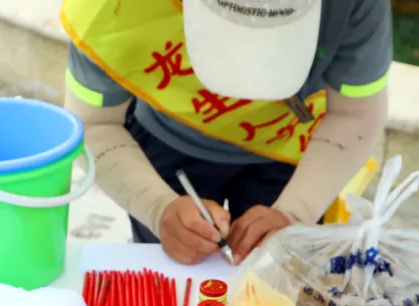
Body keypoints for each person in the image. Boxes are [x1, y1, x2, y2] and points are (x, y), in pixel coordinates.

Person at [61, 0, 390, 265]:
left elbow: (354, 114)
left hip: (293, 148)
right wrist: (157, 208)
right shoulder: (108, 6)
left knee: (281, 275)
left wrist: (295, 213)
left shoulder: (354, 4)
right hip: (168, 141)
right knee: (177, 259)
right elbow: (91, 123)